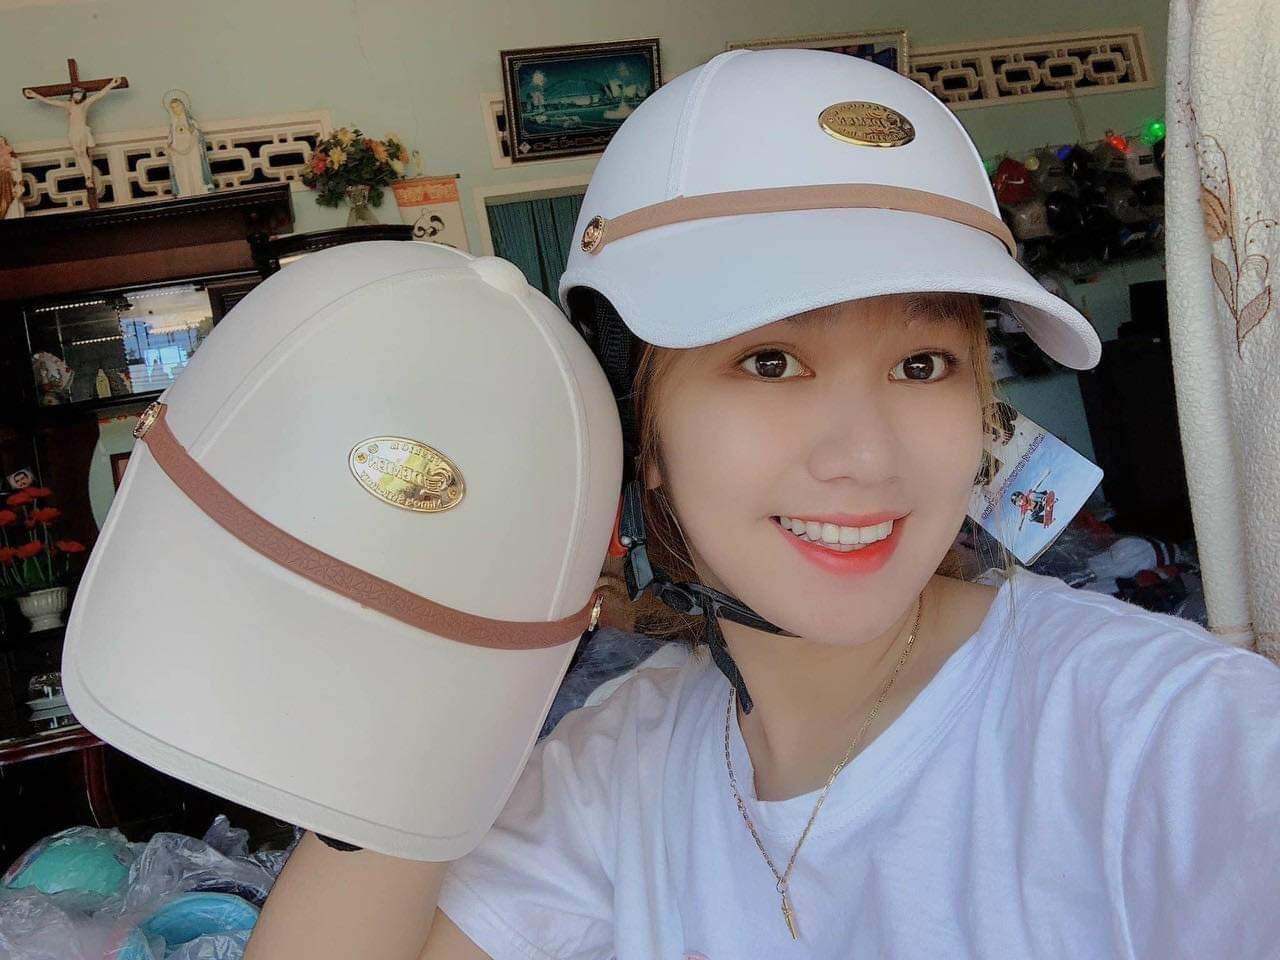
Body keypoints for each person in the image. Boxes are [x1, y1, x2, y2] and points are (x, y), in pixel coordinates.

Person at [245, 49, 1280, 959]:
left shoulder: (1179, 741)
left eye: (922, 363)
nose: (864, 457)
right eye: (771, 360)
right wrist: (455, 660)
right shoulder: (619, 768)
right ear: (638, 433)